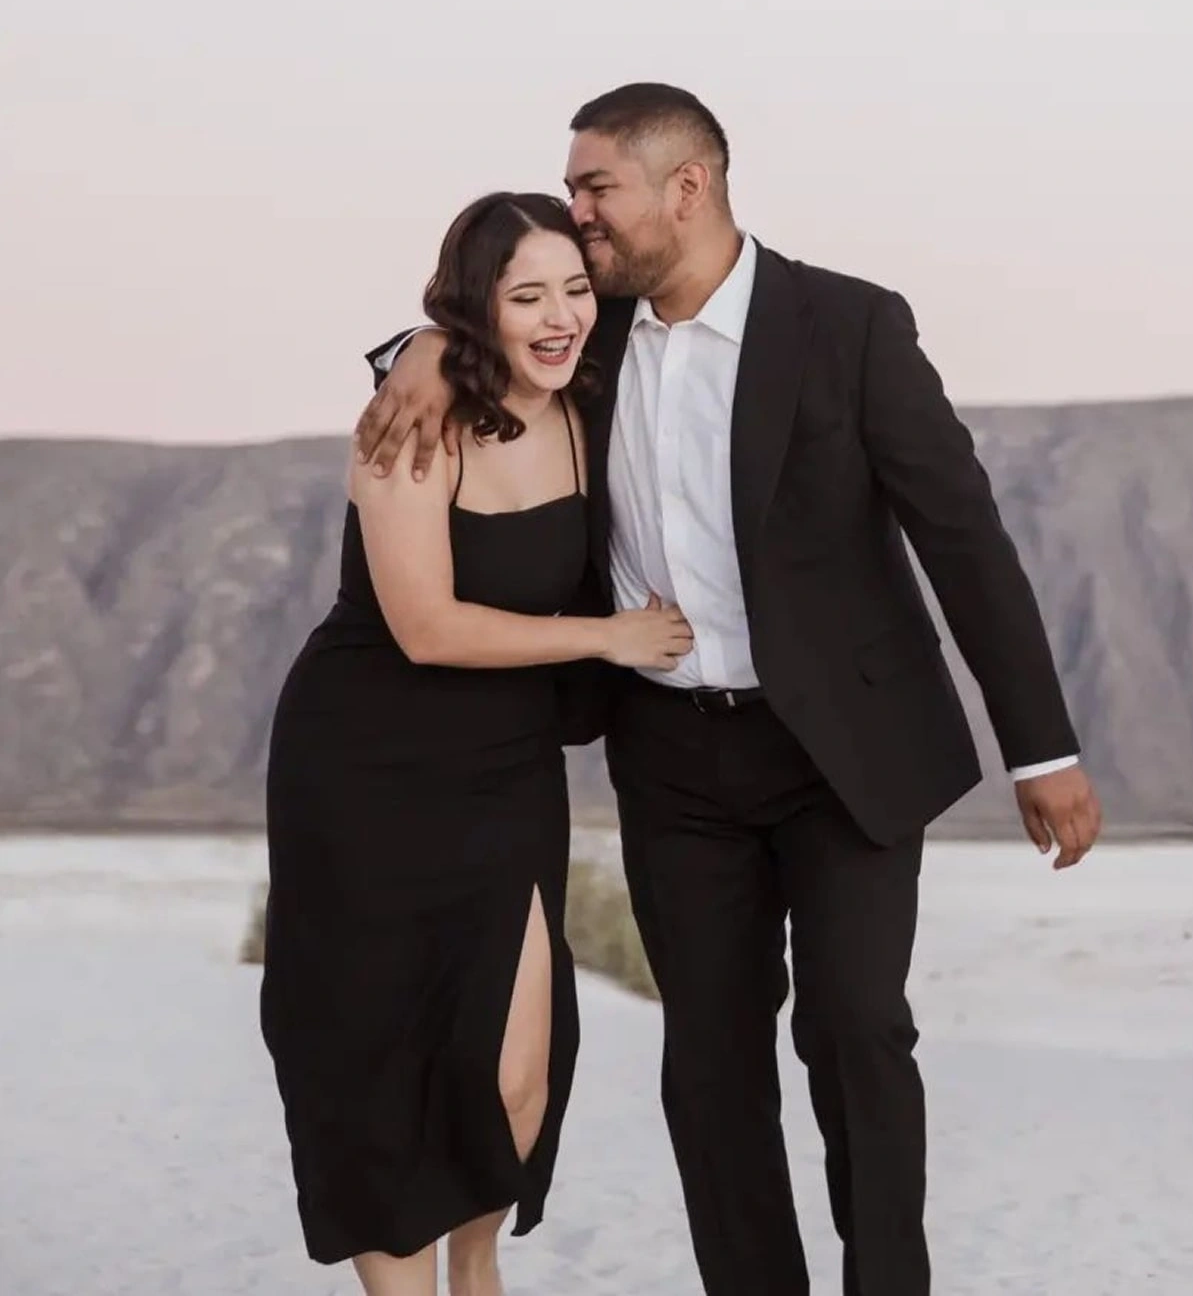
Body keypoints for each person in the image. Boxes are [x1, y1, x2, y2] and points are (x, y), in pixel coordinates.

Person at [357, 88, 1103, 1296]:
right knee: (709, 1063)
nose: (578, 215)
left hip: (843, 755)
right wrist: (429, 351)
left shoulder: (848, 326)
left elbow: (962, 535)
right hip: (673, 757)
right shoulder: (587, 340)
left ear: (685, 188)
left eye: (597, 189)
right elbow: (477, 331)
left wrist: (1043, 751)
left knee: (856, 1030)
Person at [261, 191, 693, 1296]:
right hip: (367, 767)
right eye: (526, 295)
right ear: (477, 308)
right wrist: (614, 635)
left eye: (575, 291)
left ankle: (478, 1268)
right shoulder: (413, 423)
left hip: (505, 767)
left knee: (518, 1074)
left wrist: (417, 341)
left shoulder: (587, 398)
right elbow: (426, 625)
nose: (560, 317)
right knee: (383, 1058)